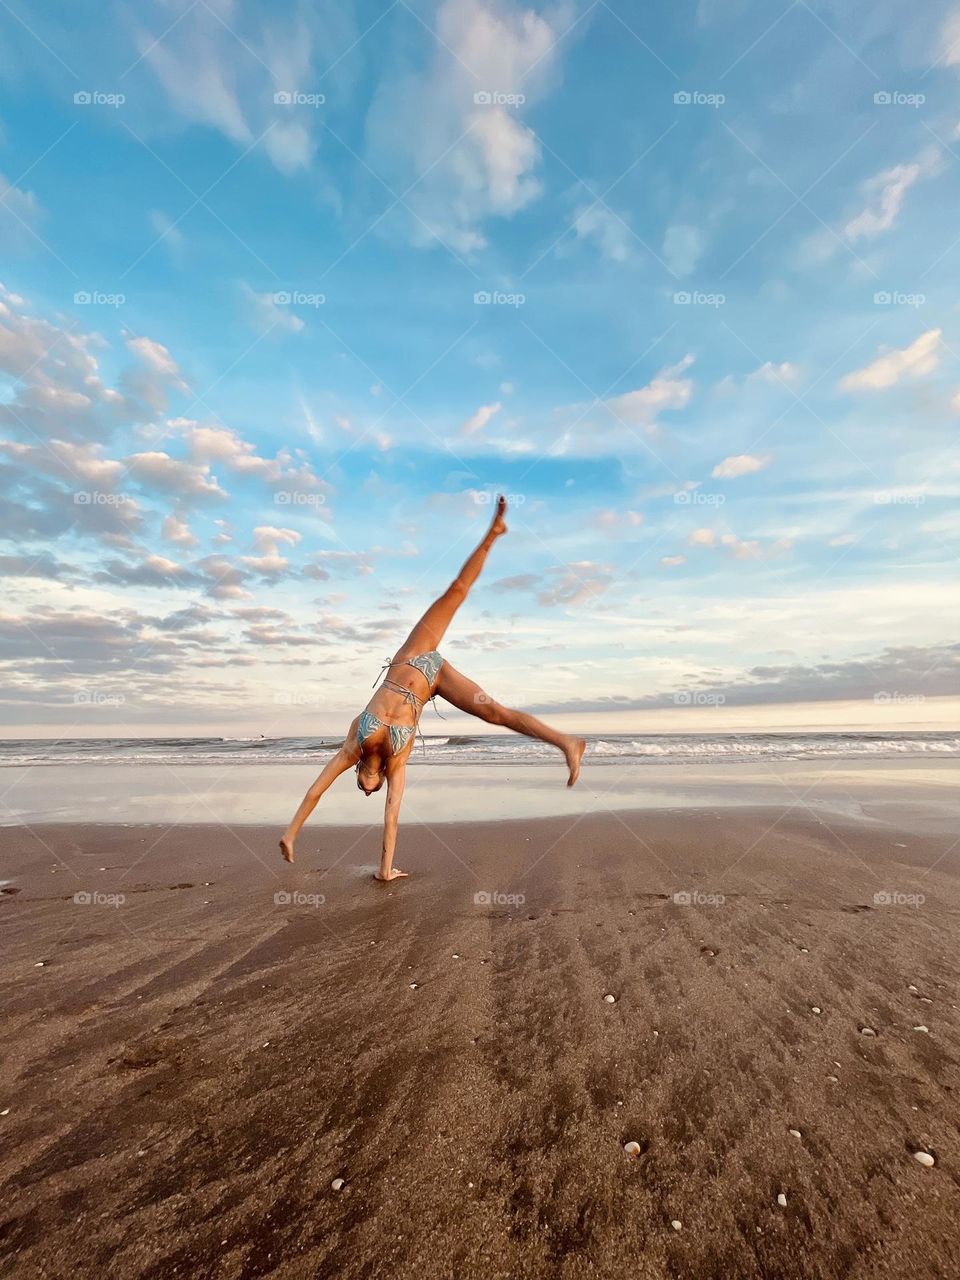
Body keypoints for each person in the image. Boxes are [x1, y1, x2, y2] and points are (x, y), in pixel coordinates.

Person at [279, 497, 585, 880]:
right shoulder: (396, 762)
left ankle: (493, 533)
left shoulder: (352, 744)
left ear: (358, 773)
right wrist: (385, 871)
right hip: (434, 679)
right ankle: (567, 743)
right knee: (495, 713)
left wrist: (290, 834)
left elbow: (314, 792)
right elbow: (392, 815)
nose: (368, 792)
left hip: (414, 654)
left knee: (456, 591)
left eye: (363, 788)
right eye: (370, 793)